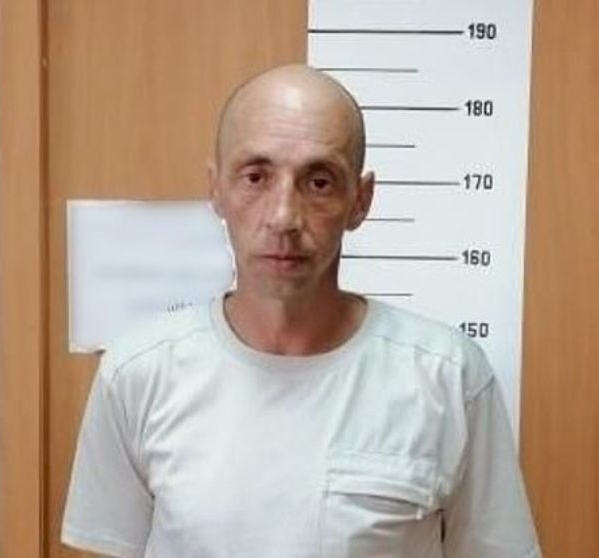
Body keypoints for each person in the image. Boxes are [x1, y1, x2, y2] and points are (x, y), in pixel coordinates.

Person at [61, 64, 541, 558]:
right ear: (216, 189)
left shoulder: (448, 377)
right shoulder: (138, 373)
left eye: (319, 182)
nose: (283, 217)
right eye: (256, 177)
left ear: (361, 200)